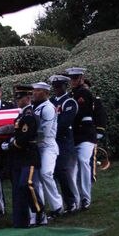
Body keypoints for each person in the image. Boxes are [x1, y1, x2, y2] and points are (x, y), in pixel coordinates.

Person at [1, 85, 44, 228]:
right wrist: (9, 142)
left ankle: (39, 211)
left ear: (28, 98)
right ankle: (21, 220)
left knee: (27, 184)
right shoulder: (21, 116)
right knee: (19, 188)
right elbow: (18, 134)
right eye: (17, 98)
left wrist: (11, 145)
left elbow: (26, 137)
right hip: (19, 157)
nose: (18, 101)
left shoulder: (30, 116)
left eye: (21, 98)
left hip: (29, 156)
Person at [32, 82, 64, 218]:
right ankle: (40, 208)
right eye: (34, 91)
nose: (34, 93)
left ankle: (57, 206)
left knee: (46, 173)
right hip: (37, 146)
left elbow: (44, 130)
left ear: (46, 93)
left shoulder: (48, 108)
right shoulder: (36, 107)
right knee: (36, 179)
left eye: (38, 91)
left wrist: (28, 137)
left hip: (47, 146)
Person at [67, 67, 97, 209]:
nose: (73, 81)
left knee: (84, 161)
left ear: (81, 79)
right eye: (71, 78)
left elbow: (83, 113)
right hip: (74, 135)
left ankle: (86, 197)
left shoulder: (84, 93)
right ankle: (76, 198)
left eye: (75, 78)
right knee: (72, 167)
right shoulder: (70, 95)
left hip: (86, 134)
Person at [50, 74, 80, 212]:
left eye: (59, 86)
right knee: (53, 173)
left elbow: (64, 122)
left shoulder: (70, 102)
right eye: (54, 86)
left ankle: (71, 201)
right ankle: (59, 204)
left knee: (63, 171)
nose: (56, 89)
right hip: (52, 141)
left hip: (63, 141)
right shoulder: (50, 102)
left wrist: (49, 130)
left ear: (65, 86)